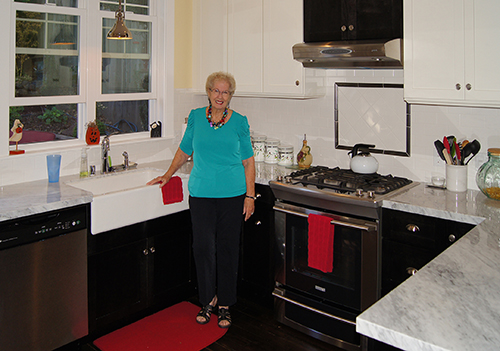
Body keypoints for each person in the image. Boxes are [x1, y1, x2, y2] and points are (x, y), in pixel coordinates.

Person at [147, 71, 255, 329]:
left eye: (225, 92)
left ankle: (226, 303)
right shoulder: (196, 117)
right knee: (203, 248)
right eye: (216, 91)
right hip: (201, 194)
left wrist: (250, 195)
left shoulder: (239, 122)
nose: (220, 96)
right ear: (208, 92)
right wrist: (167, 174)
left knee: (228, 249)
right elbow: (185, 150)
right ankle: (208, 300)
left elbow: (248, 161)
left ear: (231, 96)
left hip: (232, 194)